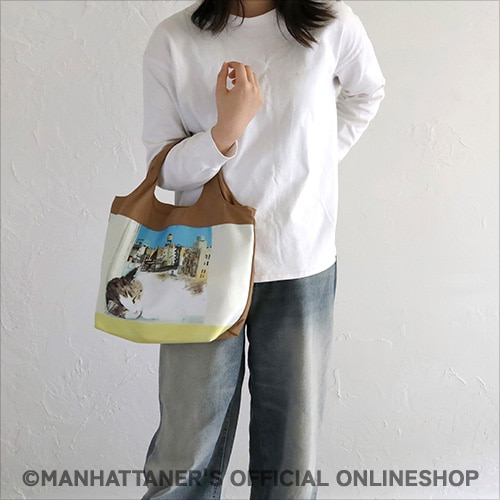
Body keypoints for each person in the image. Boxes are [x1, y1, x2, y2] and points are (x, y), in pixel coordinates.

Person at [140, 0, 385, 498]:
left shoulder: (331, 23)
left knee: (291, 462)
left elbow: (367, 92)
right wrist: (224, 133)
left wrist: (314, 160)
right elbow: (162, 171)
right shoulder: (174, 38)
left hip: (299, 260)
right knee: (182, 461)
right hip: (201, 266)